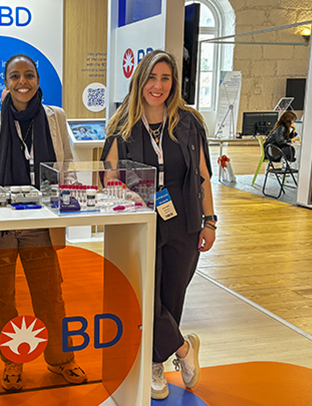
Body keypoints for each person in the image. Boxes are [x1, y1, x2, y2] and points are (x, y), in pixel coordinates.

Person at [101, 50, 216, 400]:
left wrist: (210, 221)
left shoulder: (188, 122)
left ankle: (156, 362)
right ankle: (182, 349)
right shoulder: (122, 123)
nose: (158, 86)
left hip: (185, 222)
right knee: (145, 297)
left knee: (171, 296)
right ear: (140, 81)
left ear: (174, 83)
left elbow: (203, 175)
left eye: (166, 79)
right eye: (152, 78)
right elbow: (109, 177)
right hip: (141, 223)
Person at [0, 54, 86, 392]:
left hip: (40, 220)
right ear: (5, 82)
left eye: (29, 75)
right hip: (1, 224)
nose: (23, 82)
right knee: (3, 299)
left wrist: (72, 193)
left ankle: (61, 360)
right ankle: (12, 362)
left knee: (50, 296)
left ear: (38, 79)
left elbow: (67, 165)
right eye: (15, 76)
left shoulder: (55, 117)